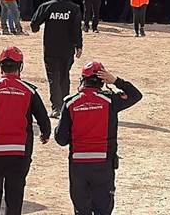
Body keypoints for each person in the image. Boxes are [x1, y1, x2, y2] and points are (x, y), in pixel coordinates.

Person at [0, 46, 52, 215]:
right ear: (20, 66)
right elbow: (43, 118)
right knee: (15, 194)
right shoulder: (30, 91)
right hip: (20, 151)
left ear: (1, 66)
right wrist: (45, 133)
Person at [54, 61, 143, 215]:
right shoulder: (110, 101)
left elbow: (61, 139)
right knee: (103, 210)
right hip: (103, 164)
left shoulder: (70, 103)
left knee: (82, 211)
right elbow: (136, 95)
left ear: (83, 79)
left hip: (78, 166)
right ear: (102, 81)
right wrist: (116, 81)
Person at [30, 0, 83, 118]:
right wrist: (79, 46)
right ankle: (66, 106)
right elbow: (77, 29)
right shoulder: (74, 9)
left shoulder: (47, 7)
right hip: (67, 50)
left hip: (51, 49)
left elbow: (34, 25)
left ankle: (56, 108)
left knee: (53, 77)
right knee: (64, 76)